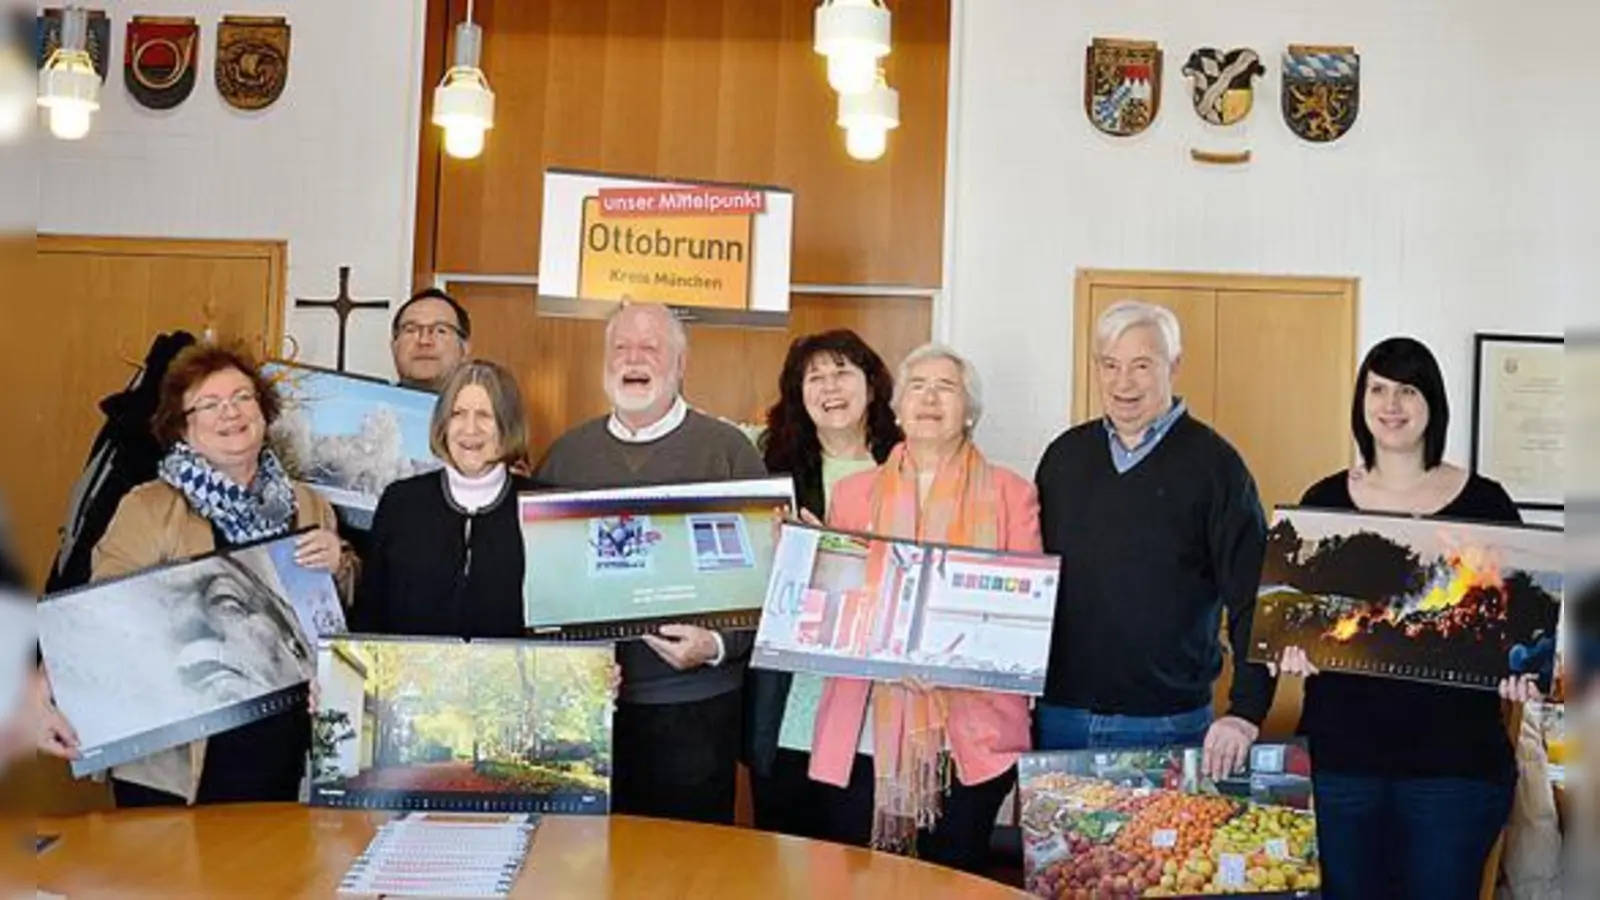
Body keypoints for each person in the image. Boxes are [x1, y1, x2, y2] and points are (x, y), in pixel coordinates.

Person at [1269, 337, 1541, 900]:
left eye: (1408, 390)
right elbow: (1293, 617)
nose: (1391, 405)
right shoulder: (1322, 502)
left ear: (1432, 404)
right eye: (1378, 389)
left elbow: (1523, 625)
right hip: (1342, 763)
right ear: (1361, 401)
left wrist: (1523, 670)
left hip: (1455, 770)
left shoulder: (1486, 504)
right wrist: (1290, 648)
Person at [76, 342, 349, 807]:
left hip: (277, 745)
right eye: (210, 404)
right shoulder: (149, 507)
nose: (230, 413)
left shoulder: (307, 503)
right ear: (183, 426)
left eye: (243, 398)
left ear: (264, 412)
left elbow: (332, 612)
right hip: (178, 762)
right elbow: (103, 617)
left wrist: (340, 563)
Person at [807, 343, 1038, 873]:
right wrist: (808, 564)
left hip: (970, 727)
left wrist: (941, 661)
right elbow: (833, 609)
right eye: (917, 386)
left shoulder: (1011, 494)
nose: (930, 398)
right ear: (895, 407)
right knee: (859, 879)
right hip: (864, 725)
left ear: (970, 410)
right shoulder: (852, 494)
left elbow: (1022, 613)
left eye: (946, 387)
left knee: (952, 876)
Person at [536, 302, 767, 826]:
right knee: (585, 865)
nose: (633, 359)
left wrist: (716, 646)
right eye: (621, 347)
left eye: (650, 348)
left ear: (680, 364)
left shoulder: (728, 453)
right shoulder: (565, 457)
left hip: (695, 710)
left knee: (685, 870)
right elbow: (539, 581)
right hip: (585, 709)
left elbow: (768, 584)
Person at [1032, 300, 1274, 780]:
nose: (1124, 383)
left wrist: (1247, 710)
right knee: (1065, 856)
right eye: (1111, 365)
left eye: (1142, 365)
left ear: (1174, 366)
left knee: (1160, 859)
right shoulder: (1063, 459)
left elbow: (1255, 599)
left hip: (1167, 725)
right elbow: (1030, 580)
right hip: (1061, 720)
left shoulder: (1217, 467)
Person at [743, 329, 902, 839]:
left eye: (842, 373)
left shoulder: (906, 466)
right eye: (815, 377)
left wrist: (829, 553)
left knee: (855, 863)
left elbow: (911, 576)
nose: (830, 388)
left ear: (872, 386)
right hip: (788, 701)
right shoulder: (768, 470)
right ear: (798, 393)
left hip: (870, 704)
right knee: (784, 859)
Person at [354, 360, 540, 638]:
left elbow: (566, 621)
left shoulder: (542, 507)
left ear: (508, 424)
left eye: (485, 415)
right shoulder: (401, 503)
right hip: (410, 679)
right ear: (443, 423)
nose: (470, 429)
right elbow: (370, 616)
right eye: (458, 413)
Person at [391, 288, 471, 392]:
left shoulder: (488, 407)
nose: (424, 341)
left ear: (465, 348)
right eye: (411, 330)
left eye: (440, 330)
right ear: (394, 346)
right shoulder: (369, 404)